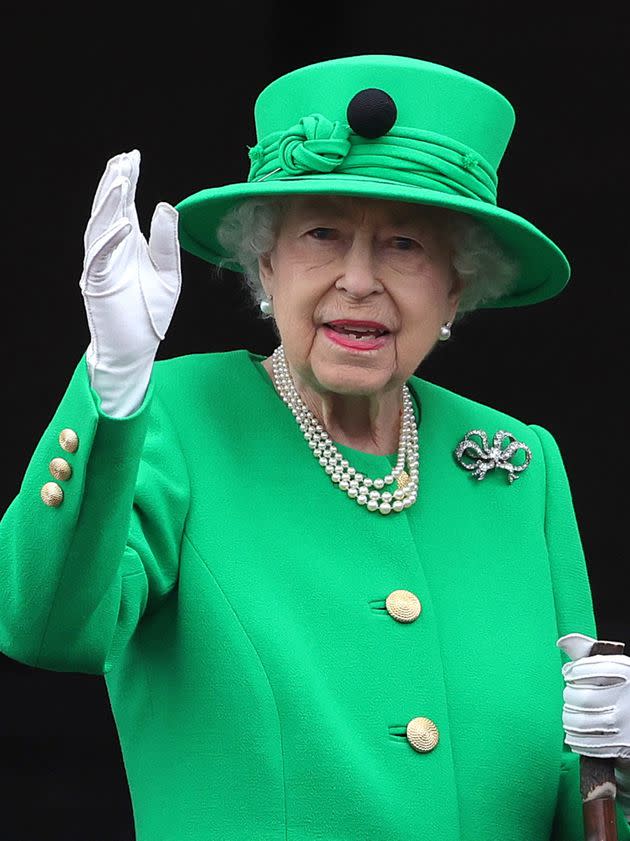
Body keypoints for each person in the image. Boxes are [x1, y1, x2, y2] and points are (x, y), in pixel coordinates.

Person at [0, 54, 628, 841]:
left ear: (457, 288)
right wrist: (114, 386)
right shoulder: (172, 421)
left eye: (405, 245)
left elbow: (587, 812)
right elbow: (48, 625)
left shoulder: (518, 465)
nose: (358, 279)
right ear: (265, 264)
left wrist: (619, 767)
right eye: (322, 234)